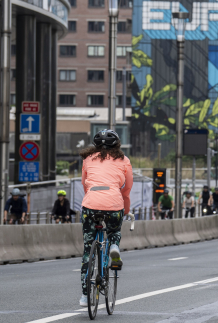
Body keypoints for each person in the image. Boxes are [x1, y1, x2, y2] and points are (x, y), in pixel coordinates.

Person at [79, 129, 132, 306]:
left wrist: (92, 200)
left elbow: (85, 184)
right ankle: (114, 246)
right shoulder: (124, 161)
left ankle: (85, 296)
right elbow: (126, 189)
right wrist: (125, 209)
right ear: (117, 145)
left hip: (91, 203)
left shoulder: (87, 159)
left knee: (88, 250)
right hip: (114, 203)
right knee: (114, 230)